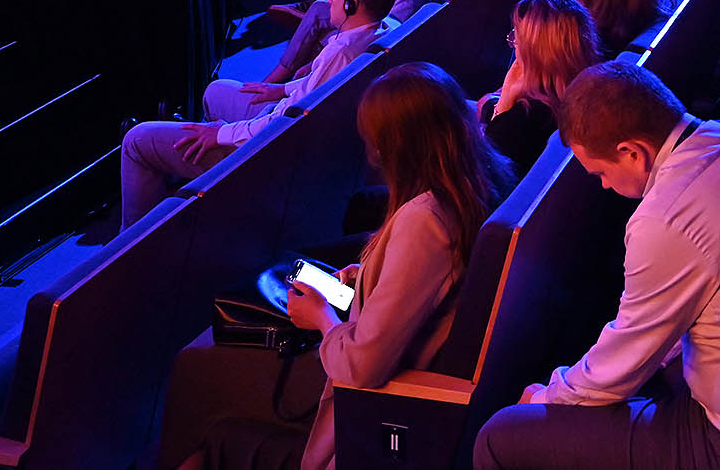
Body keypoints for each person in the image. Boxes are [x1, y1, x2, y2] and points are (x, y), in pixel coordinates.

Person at [473, 63, 720, 470]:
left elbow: (615, 375)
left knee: (501, 436)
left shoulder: (667, 215)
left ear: (632, 152)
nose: (603, 185)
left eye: (601, 172)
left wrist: (545, 396)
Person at [165, 62, 515, 470]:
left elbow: (363, 366)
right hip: (388, 366)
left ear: (396, 145)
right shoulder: (482, 178)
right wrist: (364, 276)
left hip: (374, 400)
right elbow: (430, 287)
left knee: (198, 373)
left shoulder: (424, 220)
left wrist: (320, 317)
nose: (375, 154)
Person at [119, 0, 399, 232]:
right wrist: (281, 89)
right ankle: (201, 186)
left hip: (270, 148)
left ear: (352, 3)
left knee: (135, 140)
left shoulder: (341, 53)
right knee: (214, 91)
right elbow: (315, 90)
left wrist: (221, 134)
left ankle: (128, 247)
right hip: (283, 123)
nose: (330, 1)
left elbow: (282, 125)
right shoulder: (383, 30)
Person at [480, 0, 606, 174]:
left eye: (517, 39)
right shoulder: (594, 88)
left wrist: (504, 103)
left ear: (535, 51)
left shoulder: (519, 122)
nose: (514, 45)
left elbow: (486, 173)